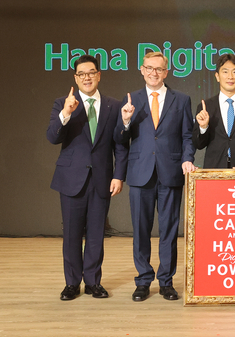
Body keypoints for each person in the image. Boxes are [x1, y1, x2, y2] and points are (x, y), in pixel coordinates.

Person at [114, 51, 196, 302]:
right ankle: (143, 281)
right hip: (140, 174)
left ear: (167, 72)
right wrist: (125, 121)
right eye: (149, 68)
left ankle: (166, 282)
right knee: (140, 230)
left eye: (159, 69)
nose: (154, 73)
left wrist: (187, 158)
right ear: (141, 69)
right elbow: (120, 140)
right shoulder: (131, 100)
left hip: (170, 173)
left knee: (169, 231)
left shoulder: (181, 99)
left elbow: (187, 137)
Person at [47, 55, 128, 300]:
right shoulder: (63, 103)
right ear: (75, 78)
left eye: (91, 73)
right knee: (71, 233)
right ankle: (72, 283)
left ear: (99, 75)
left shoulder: (114, 105)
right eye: (81, 74)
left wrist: (119, 175)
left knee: (96, 234)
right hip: (72, 178)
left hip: (102, 179)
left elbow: (120, 145)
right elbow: (53, 137)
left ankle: (93, 282)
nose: (87, 77)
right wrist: (65, 113)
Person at [193, 54, 235, 168]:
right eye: (225, 72)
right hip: (214, 171)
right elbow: (199, 144)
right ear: (217, 76)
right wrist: (203, 127)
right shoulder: (205, 107)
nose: (230, 77)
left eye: (234, 72)